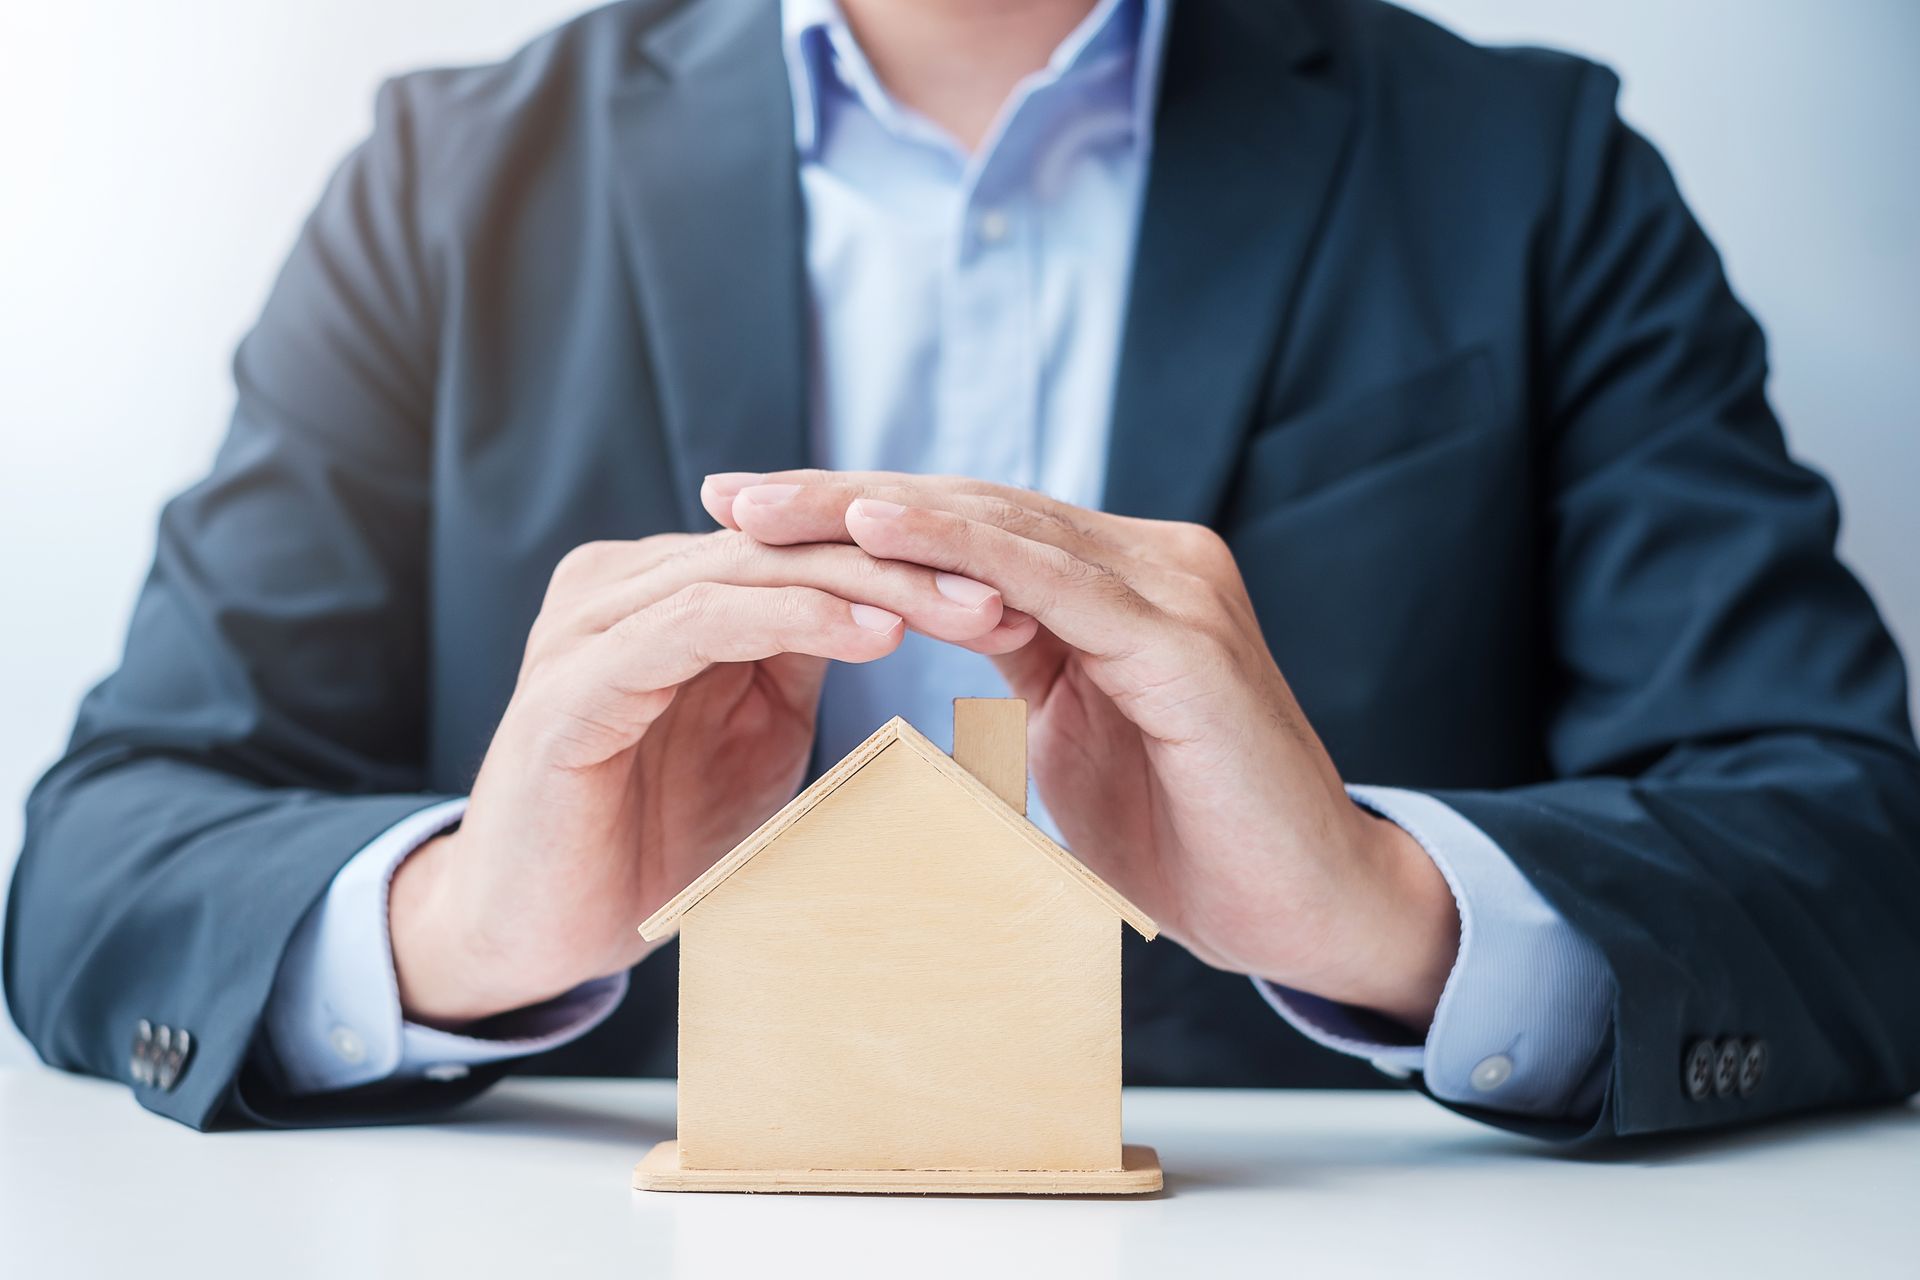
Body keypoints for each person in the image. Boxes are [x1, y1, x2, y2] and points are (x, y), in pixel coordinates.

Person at [8, 0, 1919, 1143]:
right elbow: (102, 854)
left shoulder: (1531, 168)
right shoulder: (444, 187)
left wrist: (1390, 908)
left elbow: (1858, 851)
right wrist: (464, 930)